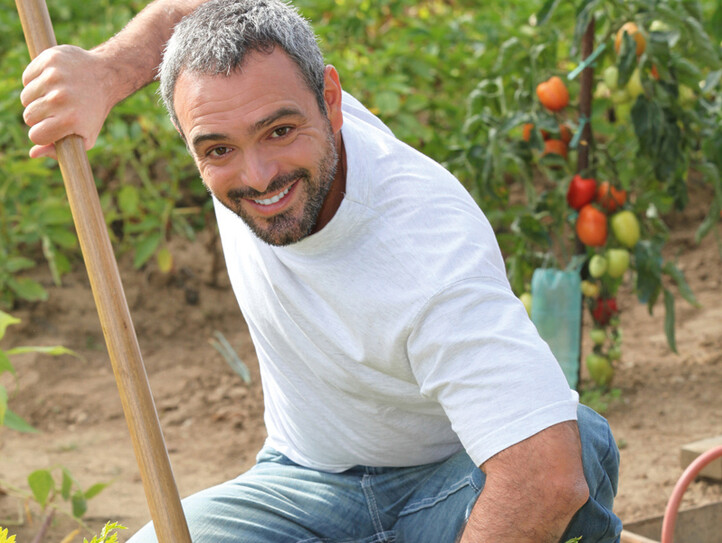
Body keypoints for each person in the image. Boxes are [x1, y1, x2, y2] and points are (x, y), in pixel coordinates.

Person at [20, 1, 622, 541]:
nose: (258, 175)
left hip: (456, 486)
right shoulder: (231, 117)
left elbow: (545, 476)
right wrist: (104, 75)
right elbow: (193, 13)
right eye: (217, 149)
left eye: (279, 131)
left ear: (330, 101)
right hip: (304, 485)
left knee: (574, 448)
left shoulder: (425, 247)